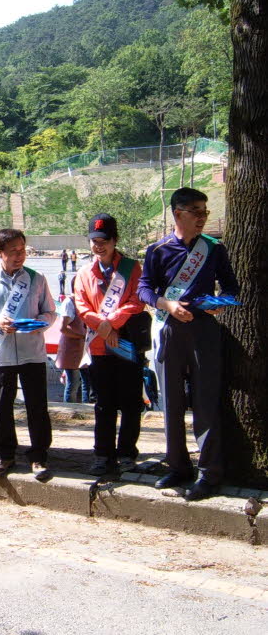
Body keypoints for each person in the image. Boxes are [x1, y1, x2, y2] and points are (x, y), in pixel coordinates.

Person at [138, 187, 239, 501]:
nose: (202, 218)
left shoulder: (213, 249)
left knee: (206, 402)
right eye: (196, 211)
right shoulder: (157, 250)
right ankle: (178, 466)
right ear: (178, 213)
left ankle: (209, 474)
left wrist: (221, 302)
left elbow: (231, 287)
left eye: (205, 212)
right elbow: (144, 288)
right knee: (170, 403)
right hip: (169, 328)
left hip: (204, 329)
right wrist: (166, 305)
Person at [0, 228, 56, 481]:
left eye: (22, 250)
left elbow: (50, 312)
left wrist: (39, 322)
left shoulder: (36, 278)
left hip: (32, 352)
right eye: (13, 252)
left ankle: (39, 455)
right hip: (0, 353)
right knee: (2, 407)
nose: (19, 256)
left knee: (37, 406)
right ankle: (4, 454)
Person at [74, 214, 146, 476]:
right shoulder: (83, 273)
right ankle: (103, 454)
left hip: (126, 343)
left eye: (104, 241)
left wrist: (112, 323)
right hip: (99, 347)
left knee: (130, 402)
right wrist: (103, 327)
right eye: (94, 241)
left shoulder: (131, 268)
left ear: (115, 240)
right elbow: (81, 306)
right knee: (103, 403)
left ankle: (127, 453)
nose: (99, 246)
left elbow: (138, 300)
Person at [55, 278, 91, 405]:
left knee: (87, 382)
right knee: (73, 383)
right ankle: (70, 409)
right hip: (71, 349)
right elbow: (63, 328)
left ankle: (87, 410)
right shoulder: (69, 302)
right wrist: (81, 336)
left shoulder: (84, 302)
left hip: (83, 350)